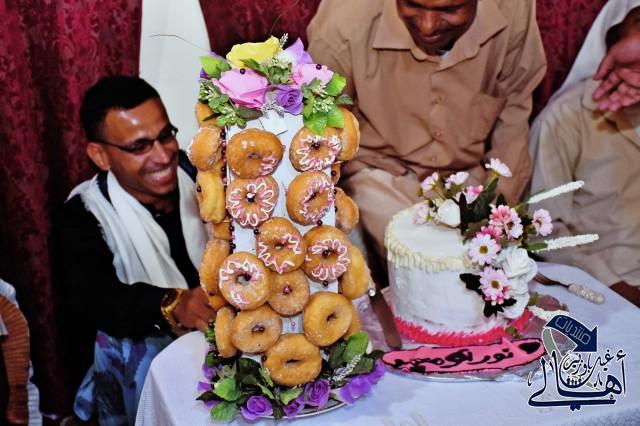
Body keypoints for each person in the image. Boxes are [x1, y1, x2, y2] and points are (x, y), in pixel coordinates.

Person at [307, 0, 546, 265]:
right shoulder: (344, 19)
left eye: (448, 10)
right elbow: (319, 133)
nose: (427, 26)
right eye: (412, 4)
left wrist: (497, 213)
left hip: (467, 176)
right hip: (377, 174)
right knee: (432, 264)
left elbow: (512, 123)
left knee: (494, 266)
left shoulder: (513, 9)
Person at [55, 76, 216, 425]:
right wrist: (174, 304)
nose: (163, 155)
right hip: (148, 369)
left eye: (166, 135)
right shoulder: (84, 213)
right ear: (100, 155)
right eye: (139, 146)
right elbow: (94, 299)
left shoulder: (202, 173)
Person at [529, 0, 640, 307]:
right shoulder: (565, 119)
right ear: (612, 40)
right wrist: (615, 286)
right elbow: (543, 229)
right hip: (607, 294)